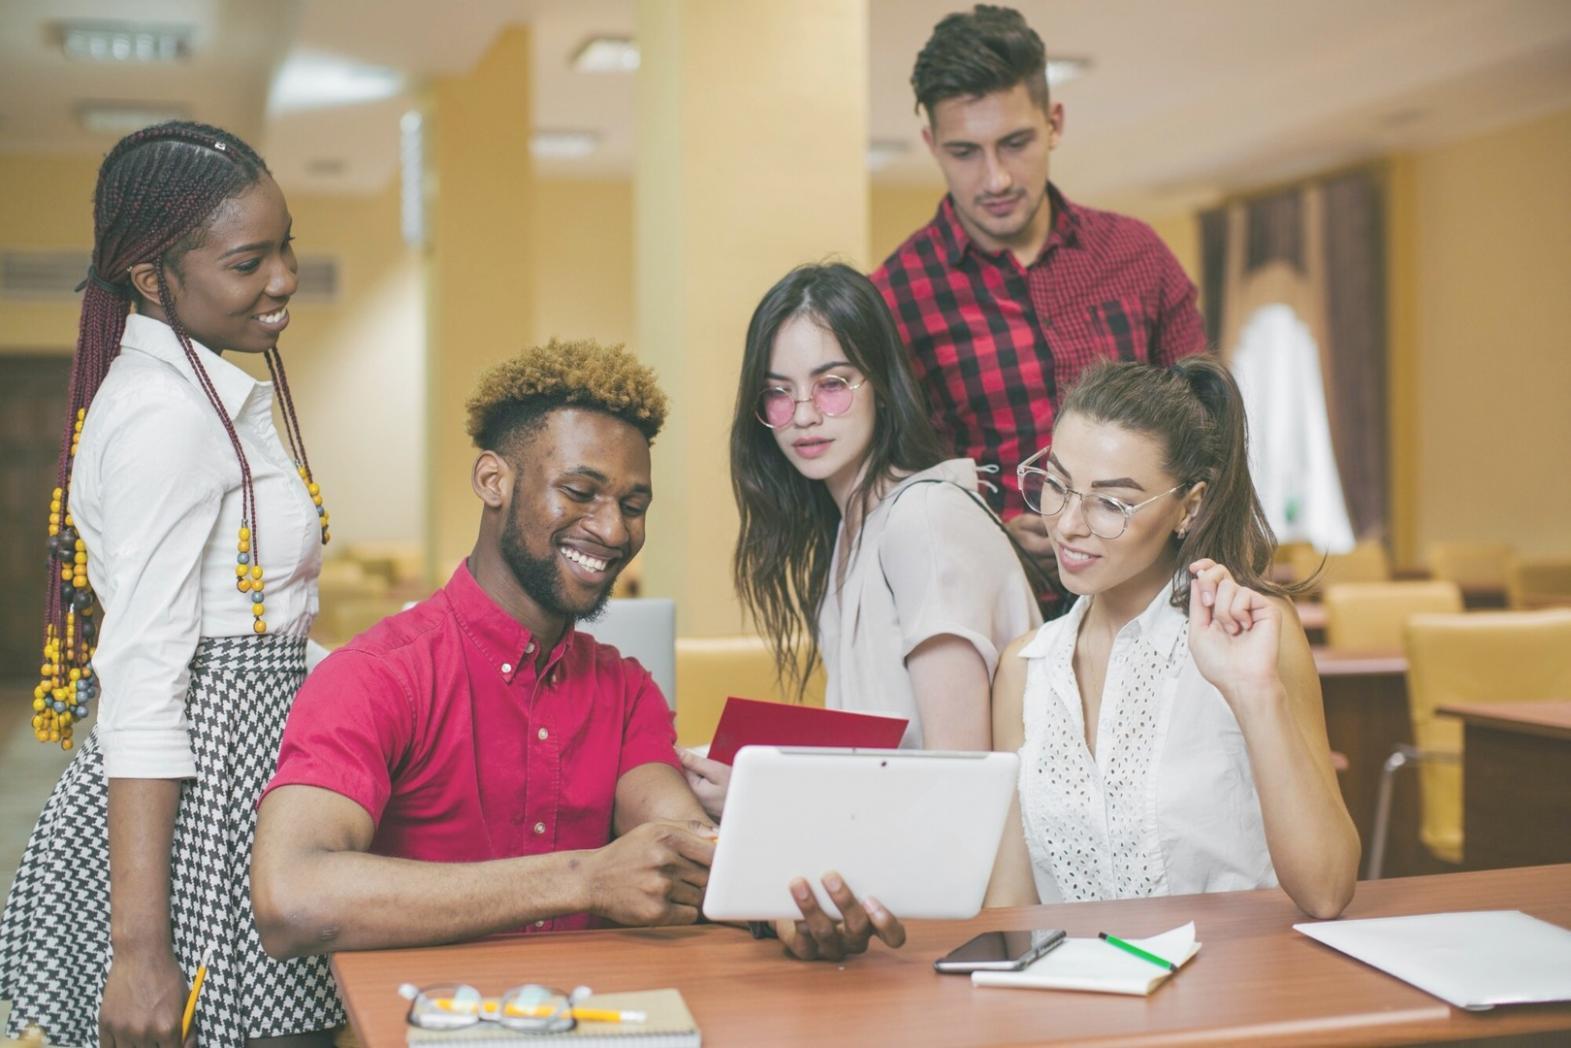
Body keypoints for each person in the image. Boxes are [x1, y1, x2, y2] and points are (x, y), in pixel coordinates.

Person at [249, 339, 906, 965]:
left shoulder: (624, 691)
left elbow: (681, 842)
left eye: (633, 503)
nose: (613, 529)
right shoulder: (375, 677)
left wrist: (784, 904)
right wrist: (581, 879)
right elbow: (291, 898)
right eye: (580, 492)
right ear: (492, 480)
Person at [0, 122, 342, 1046]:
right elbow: (145, 678)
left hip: (249, 771)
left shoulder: (201, 394)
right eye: (247, 261)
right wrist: (139, 950)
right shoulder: (165, 419)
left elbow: (258, 624)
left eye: (287, 247)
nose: (281, 278)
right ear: (154, 277)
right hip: (206, 810)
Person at [984, 357, 1359, 919]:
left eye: (1111, 503)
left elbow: (1327, 889)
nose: (1067, 524)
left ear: (1190, 507)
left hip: (1234, 994)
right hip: (1078, 999)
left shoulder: (1255, 637)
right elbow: (1010, 907)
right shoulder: (1026, 668)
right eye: (1057, 485)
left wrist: (1253, 692)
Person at [679, 263, 1042, 819]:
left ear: (882, 385)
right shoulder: (855, 529)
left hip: (976, 883)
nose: (802, 416)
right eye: (778, 392)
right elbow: (882, 757)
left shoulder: (921, 520)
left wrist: (766, 796)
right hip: (897, 861)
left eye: (831, 385)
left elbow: (959, 780)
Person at [871, 4, 1206, 585]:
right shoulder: (893, 300)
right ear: (931, 143)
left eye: (1016, 142)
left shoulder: (1137, 257)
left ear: (1054, 122)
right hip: (990, 615)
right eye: (965, 152)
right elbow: (886, 487)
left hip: (1150, 603)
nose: (996, 178)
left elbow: (1209, 435)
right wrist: (992, 529)